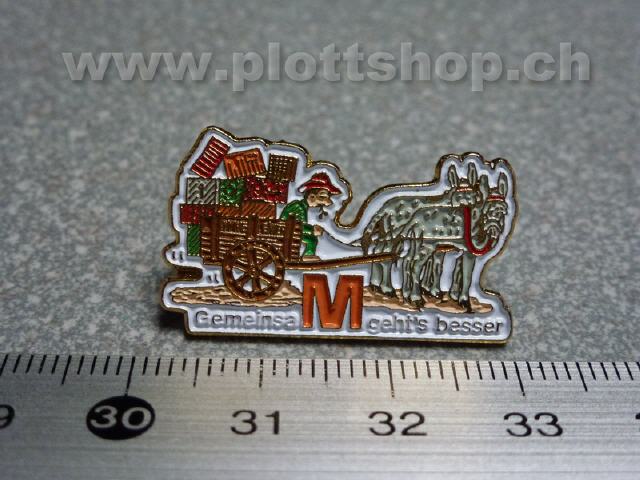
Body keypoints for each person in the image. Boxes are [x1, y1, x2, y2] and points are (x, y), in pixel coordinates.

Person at [279, 172, 340, 260]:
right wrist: (312, 230)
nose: (327, 202)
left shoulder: (302, 206)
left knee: (312, 239)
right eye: (322, 196)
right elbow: (295, 225)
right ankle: (307, 257)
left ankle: (308, 256)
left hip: (292, 231)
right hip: (286, 232)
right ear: (312, 196)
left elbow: (298, 225)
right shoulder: (298, 207)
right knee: (311, 240)